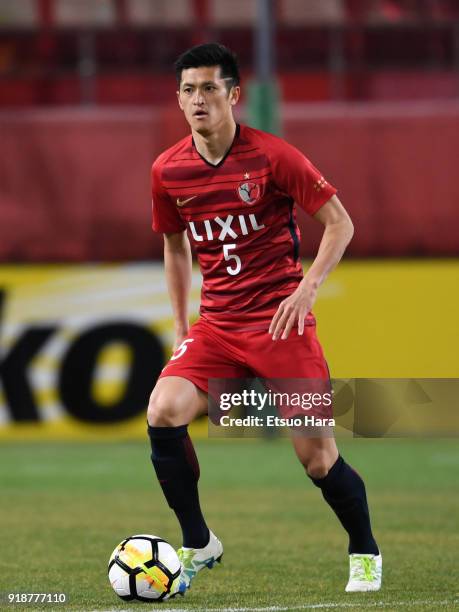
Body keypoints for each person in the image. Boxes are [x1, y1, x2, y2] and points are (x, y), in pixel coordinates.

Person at [148, 43, 381, 595]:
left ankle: (365, 550)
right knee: (163, 410)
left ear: (233, 94)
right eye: (188, 90)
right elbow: (175, 248)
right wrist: (181, 324)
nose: (198, 99)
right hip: (218, 327)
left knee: (318, 460)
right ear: (178, 100)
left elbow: (340, 224)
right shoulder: (167, 171)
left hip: (280, 325)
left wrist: (307, 290)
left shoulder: (274, 157)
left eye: (209, 88)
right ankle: (199, 541)